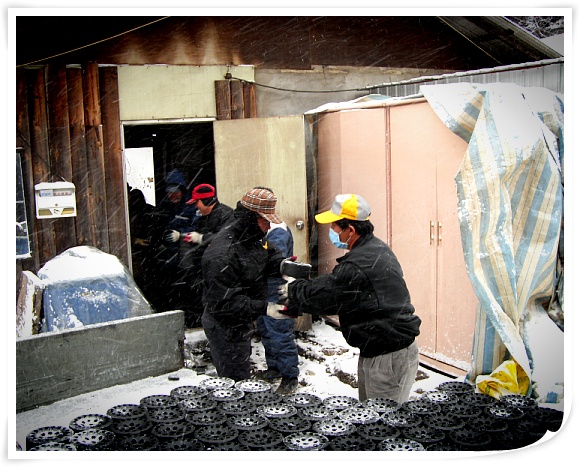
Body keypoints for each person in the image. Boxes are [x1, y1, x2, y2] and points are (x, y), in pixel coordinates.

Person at [277, 193, 421, 404]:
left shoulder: (360, 262)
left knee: (382, 418)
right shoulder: (373, 249)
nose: (331, 231)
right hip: (379, 349)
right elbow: (339, 286)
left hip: (388, 356)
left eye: (334, 226)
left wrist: (294, 291)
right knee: (369, 412)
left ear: (350, 230)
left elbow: (331, 294)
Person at [200, 187, 291, 381]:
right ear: (251, 217)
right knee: (234, 377)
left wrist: (282, 265)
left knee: (242, 362)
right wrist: (265, 308)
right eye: (265, 221)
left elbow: (267, 252)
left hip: (241, 320)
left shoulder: (252, 236)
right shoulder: (223, 254)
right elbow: (226, 303)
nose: (269, 226)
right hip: (224, 325)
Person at [164, 183, 234, 327]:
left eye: (197, 202)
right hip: (202, 268)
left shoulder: (227, 215)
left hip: (221, 269)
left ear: (207, 201)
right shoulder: (202, 217)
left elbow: (228, 239)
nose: (196, 206)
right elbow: (195, 237)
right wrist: (183, 236)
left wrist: (202, 238)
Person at [255, 217, 300, 395]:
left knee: (280, 333)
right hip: (264, 288)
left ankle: (290, 376)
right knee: (265, 329)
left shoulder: (277, 231)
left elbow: (272, 261)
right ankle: (274, 368)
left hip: (277, 289)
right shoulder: (264, 229)